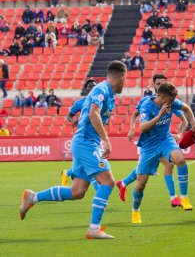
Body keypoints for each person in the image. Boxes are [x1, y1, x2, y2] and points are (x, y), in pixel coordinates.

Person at [19, 61, 127, 240]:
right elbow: (93, 113)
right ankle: (94, 229)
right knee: (107, 182)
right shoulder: (102, 89)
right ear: (121, 77)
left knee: (77, 191)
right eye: (125, 79)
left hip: (86, 143)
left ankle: (33, 197)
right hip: (87, 144)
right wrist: (106, 140)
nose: (125, 83)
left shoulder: (109, 94)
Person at [126, 81, 195, 223]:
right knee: (140, 185)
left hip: (165, 140)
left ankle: (184, 197)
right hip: (149, 146)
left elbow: (187, 109)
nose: (173, 102)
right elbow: (143, 127)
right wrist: (159, 115)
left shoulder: (171, 103)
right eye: (170, 99)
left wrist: (194, 127)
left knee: (180, 160)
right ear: (162, 97)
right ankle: (135, 211)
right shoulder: (147, 105)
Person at [63, 79, 100, 191]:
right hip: (83, 138)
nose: (92, 88)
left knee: (82, 165)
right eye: (90, 86)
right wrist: (73, 120)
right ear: (86, 89)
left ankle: (67, 173)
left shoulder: (99, 102)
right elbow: (69, 116)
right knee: (93, 166)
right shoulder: (80, 103)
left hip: (95, 137)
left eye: (94, 86)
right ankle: (101, 196)